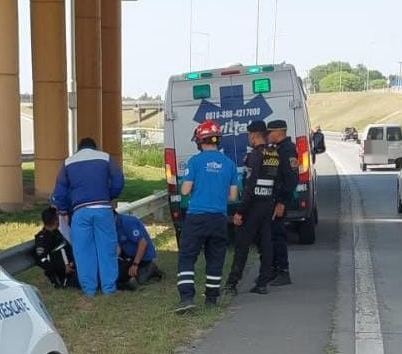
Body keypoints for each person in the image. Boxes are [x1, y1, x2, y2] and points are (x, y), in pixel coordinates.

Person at [174, 121, 240, 313]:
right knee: (215, 257)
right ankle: (211, 298)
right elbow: (233, 196)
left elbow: (185, 191)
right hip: (219, 218)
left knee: (187, 257)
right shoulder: (229, 164)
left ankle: (187, 298)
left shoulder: (195, 161)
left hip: (196, 217)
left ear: (199, 141)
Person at [51, 137, 125, 297]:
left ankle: (89, 289)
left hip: (80, 212)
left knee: (83, 251)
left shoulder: (68, 163)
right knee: (107, 249)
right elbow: (118, 181)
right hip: (103, 210)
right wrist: (109, 196)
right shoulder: (106, 158)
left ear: (79, 149)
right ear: (95, 147)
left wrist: (63, 210)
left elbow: (60, 191)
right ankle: (109, 288)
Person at [225, 120, 279, 296]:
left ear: (254, 135)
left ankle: (232, 283)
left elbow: (250, 186)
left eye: (249, 135)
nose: (248, 138)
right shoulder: (273, 153)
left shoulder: (254, 156)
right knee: (266, 244)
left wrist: (240, 211)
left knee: (242, 245)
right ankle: (263, 282)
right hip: (268, 203)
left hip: (253, 206)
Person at [266, 120, 300, 286]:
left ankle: (283, 271)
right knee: (271, 236)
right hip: (274, 199)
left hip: (280, 201)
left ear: (278, 133)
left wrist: (282, 202)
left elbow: (292, 179)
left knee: (278, 235)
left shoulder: (287, 150)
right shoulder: (278, 149)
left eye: (270, 132)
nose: (268, 135)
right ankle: (274, 268)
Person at [115, 210, 163, 290]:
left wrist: (135, 264)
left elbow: (143, 243)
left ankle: (151, 269)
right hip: (128, 257)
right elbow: (118, 246)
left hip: (141, 257)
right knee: (115, 275)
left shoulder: (127, 222)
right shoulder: (112, 226)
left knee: (131, 277)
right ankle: (129, 283)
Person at [34, 207, 78, 289]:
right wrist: (63, 268)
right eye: (57, 216)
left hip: (73, 267)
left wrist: (73, 262)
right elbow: (41, 260)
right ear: (56, 220)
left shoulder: (56, 232)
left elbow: (66, 249)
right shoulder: (43, 238)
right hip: (65, 275)